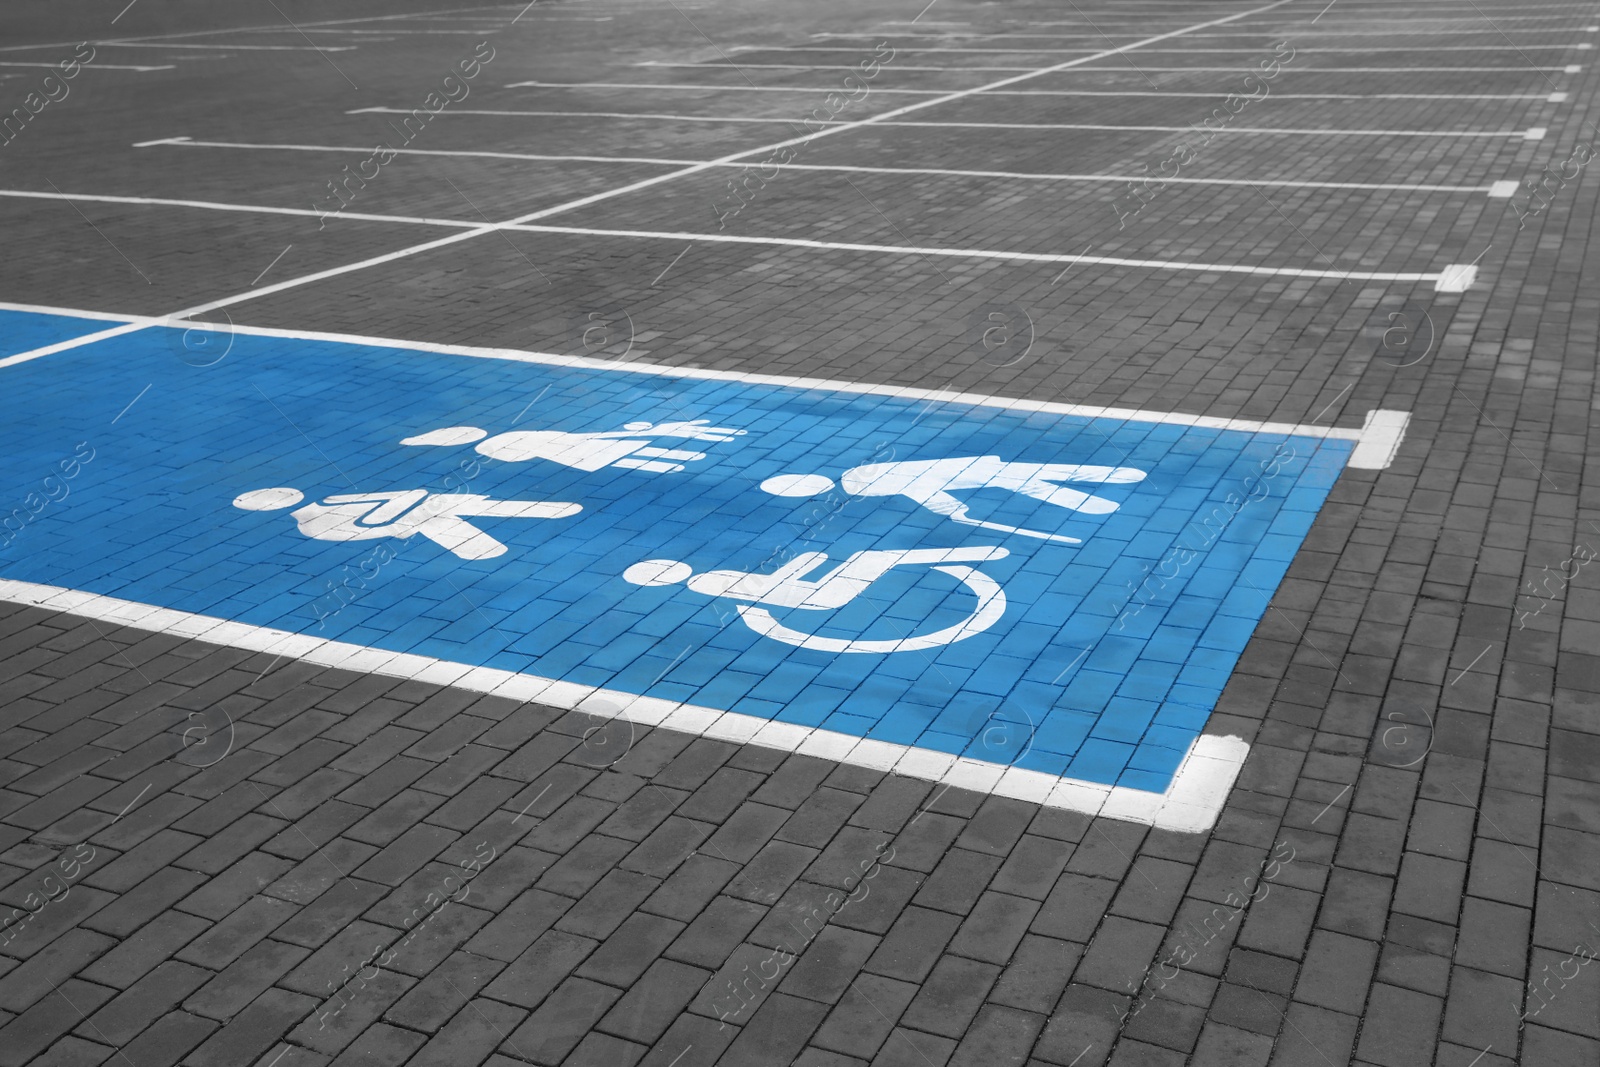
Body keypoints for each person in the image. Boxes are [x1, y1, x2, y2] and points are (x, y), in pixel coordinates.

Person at [761, 456, 1146, 544]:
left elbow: (917, 487)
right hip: (963, 469)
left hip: (960, 476)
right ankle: (1110, 480)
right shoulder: (859, 472)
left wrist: (948, 509)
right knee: (1033, 473)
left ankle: (1097, 498)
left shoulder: (859, 484)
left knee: (1030, 482)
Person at [233, 486, 579, 560]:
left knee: (481, 514)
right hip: (418, 514)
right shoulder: (313, 523)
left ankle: (546, 508)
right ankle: (546, 509)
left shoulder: (327, 505)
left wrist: (404, 510)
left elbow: (358, 526)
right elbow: (356, 530)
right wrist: (398, 520)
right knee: (465, 527)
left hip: (418, 511)